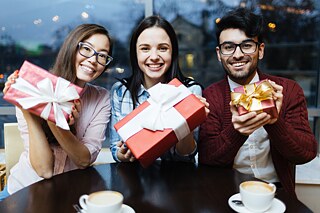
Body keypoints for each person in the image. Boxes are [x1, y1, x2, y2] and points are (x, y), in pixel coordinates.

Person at [198, 8, 317, 197]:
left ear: (260, 50)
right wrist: (237, 131)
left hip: (277, 191)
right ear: (219, 54)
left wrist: (274, 121)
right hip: (226, 192)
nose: (237, 55)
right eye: (228, 47)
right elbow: (207, 157)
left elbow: (306, 153)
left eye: (246, 45)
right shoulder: (211, 95)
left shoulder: (288, 90)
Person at [0, 23, 113, 200]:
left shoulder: (101, 98)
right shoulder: (35, 88)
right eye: (86, 49)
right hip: (23, 191)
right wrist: (26, 109)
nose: (93, 59)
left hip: (71, 194)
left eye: (102, 56)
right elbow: (44, 169)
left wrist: (56, 119)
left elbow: (83, 160)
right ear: (71, 48)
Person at [109, 15, 209, 163]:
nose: (154, 56)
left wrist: (188, 121)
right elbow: (115, 149)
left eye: (163, 48)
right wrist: (123, 155)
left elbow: (186, 156)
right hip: (134, 180)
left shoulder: (190, 91)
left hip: (178, 180)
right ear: (135, 53)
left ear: (173, 52)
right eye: (145, 49)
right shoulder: (120, 91)